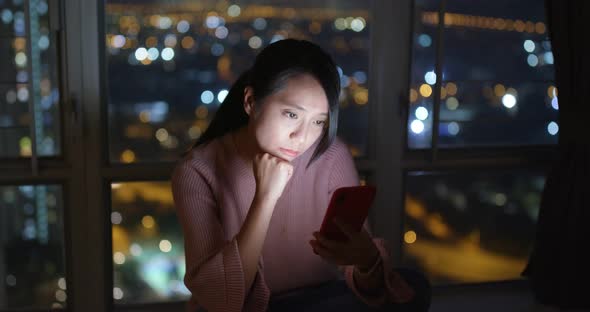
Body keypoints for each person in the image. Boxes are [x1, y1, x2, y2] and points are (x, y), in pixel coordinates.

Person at [171, 39, 431, 312]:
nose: (302, 137)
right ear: (250, 102)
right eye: (291, 114)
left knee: (413, 286)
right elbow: (219, 301)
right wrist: (265, 198)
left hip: (321, 299)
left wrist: (367, 262)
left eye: (318, 121)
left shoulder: (331, 156)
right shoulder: (197, 170)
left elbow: (364, 282)